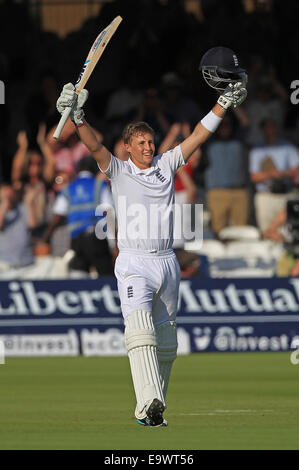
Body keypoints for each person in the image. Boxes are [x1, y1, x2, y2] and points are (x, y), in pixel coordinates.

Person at [55, 62, 247, 426]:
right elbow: (94, 145)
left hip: (167, 262)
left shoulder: (166, 164)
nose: (147, 146)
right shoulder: (118, 170)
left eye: (149, 140)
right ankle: (148, 402)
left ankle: (152, 410)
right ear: (126, 147)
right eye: (140, 142)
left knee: (167, 343)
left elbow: (197, 137)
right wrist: (78, 117)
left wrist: (223, 103)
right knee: (139, 329)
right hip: (133, 262)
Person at [42, 156, 114, 278]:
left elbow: (58, 215)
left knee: (79, 275)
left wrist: (46, 237)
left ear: (78, 169)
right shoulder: (100, 185)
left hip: (76, 239)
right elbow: (109, 213)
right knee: (106, 274)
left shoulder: (68, 189)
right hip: (97, 237)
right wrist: (114, 242)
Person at [249, 117, 299, 232]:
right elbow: (254, 176)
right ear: (262, 130)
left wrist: (281, 174)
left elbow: (296, 170)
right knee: (267, 231)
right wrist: (271, 174)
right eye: (267, 127)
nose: (270, 130)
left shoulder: (288, 147)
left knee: (288, 231)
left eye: (273, 126)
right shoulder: (257, 150)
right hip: (266, 195)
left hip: (286, 194)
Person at [204, 114, 249, 236]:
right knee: (218, 231)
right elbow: (203, 128)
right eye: (221, 125)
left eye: (227, 125)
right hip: (217, 192)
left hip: (239, 191)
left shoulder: (238, 141)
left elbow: (245, 122)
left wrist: (230, 102)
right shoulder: (209, 144)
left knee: (241, 232)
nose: (224, 128)